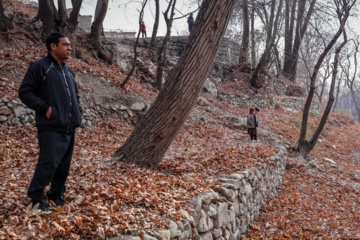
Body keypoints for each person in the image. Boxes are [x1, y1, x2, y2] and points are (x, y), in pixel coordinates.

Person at [19, 32, 83, 213]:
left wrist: (79, 112)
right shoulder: (40, 67)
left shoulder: (68, 71)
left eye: (70, 45)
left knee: (63, 167)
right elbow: (25, 92)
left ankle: (55, 195)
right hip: (51, 127)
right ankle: (36, 200)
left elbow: (75, 97)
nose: (70, 48)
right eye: (66, 45)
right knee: (48, 164)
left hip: (69, 127)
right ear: (53, 46)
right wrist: (46, 109)